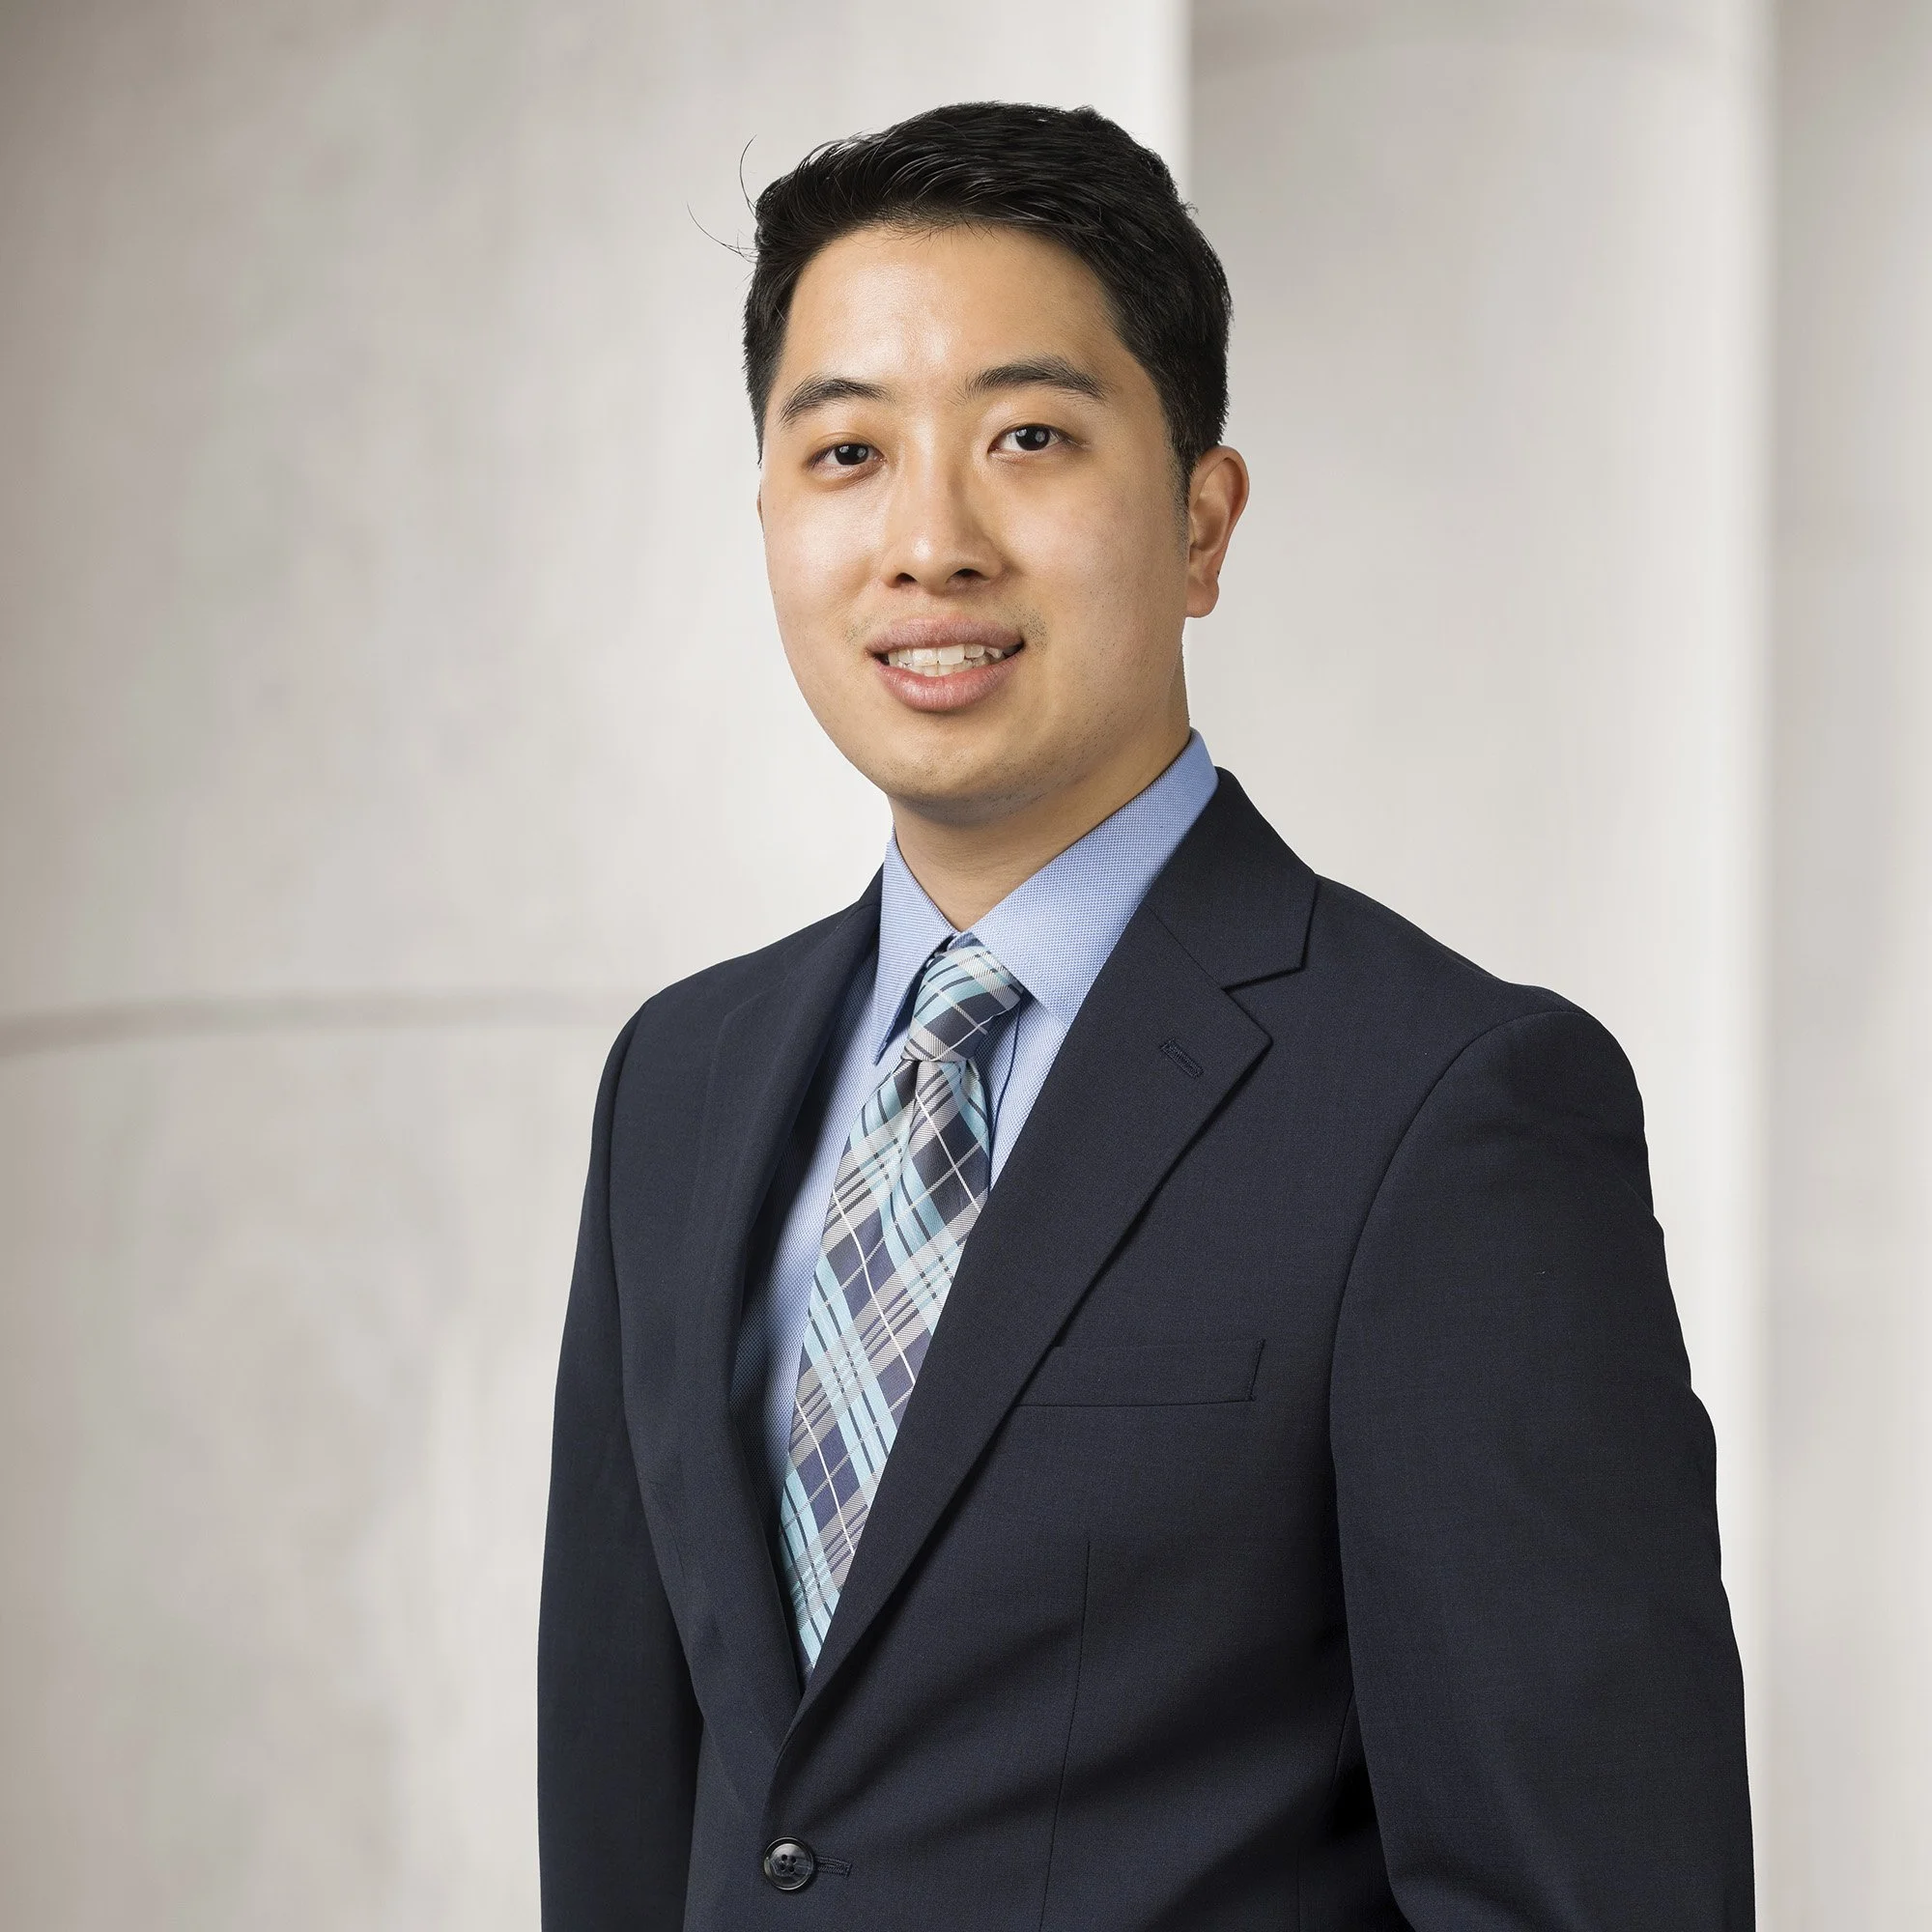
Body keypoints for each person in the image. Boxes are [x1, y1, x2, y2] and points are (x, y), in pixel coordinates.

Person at [537, 100, 1753, 1930]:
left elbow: (1589, 1889)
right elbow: (634, 1809)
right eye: (847, 451)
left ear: (1201, 518)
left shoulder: (1451, 1110)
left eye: (1029, 435)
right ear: (773, 515)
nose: (928, 542)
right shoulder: (682, 1081)